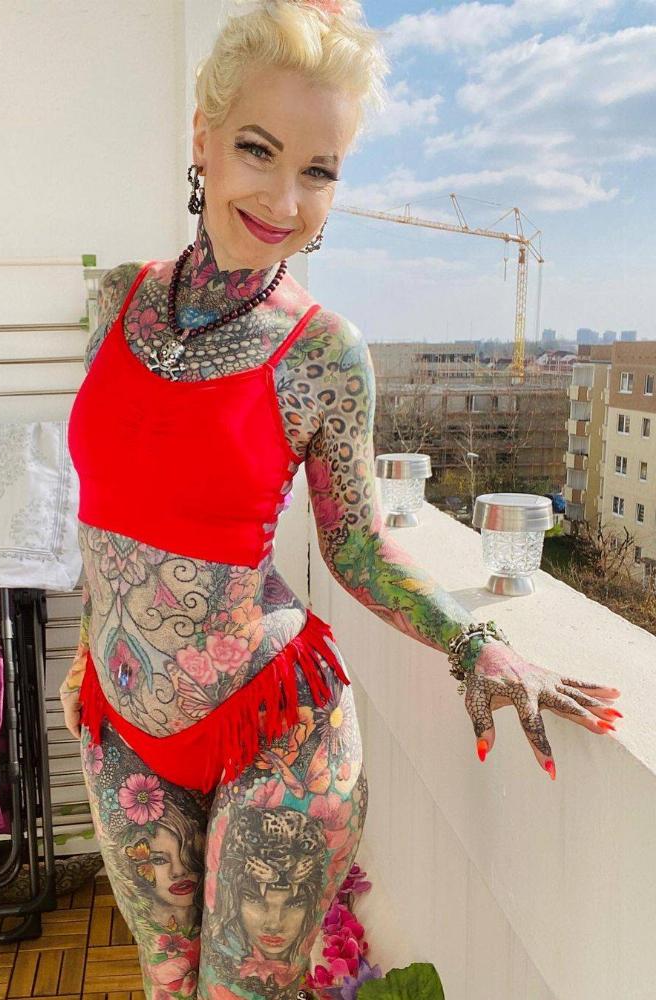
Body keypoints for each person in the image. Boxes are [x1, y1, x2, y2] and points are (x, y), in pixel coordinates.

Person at [61, 0, 623, 995]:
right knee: (165, 980)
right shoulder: (116, 300)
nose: (285, 199)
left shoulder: (324, 352)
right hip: (123, 729)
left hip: (274, 733)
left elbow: (355, 545)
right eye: (257, 149)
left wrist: (474, 642)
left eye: (318, 171)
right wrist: (83, 643)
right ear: (201, 138)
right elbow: (106, 504)